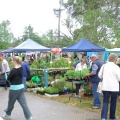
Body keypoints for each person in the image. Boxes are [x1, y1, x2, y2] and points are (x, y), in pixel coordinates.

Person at [99, 53, 120, 120]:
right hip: (114, 87)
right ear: (115, 59)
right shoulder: (117, 67)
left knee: (105, 101)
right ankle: (112, 116)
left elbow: (99, 75)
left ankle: (103, 117)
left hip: (105, 86)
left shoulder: (104, 66)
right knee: (113, 102)